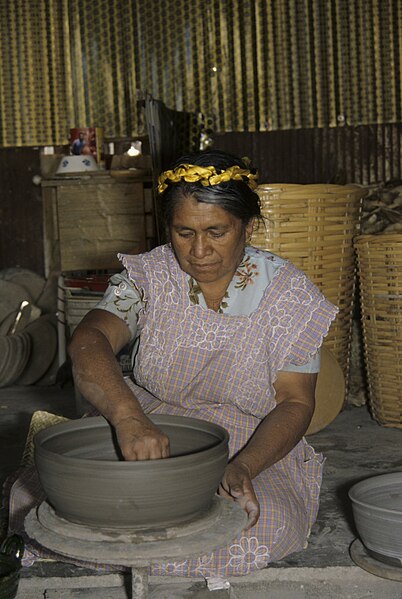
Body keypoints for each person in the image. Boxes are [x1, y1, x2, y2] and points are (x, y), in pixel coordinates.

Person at [68, 149, 338, 578]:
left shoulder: (289, 294)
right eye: (183, 232)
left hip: (250, 437)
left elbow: (294, 403)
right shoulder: (151, 276)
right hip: (150, 419)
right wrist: (128, 420)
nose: (199, 251)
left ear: (247, 227)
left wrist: (243, 467)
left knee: (258, 524)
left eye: (216, 232)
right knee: (54, 500)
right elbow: (90, 339)